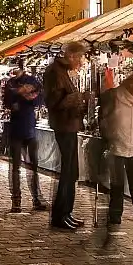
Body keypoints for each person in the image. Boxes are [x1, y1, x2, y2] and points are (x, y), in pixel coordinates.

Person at [42, 41, 88, 231]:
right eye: (79, 57)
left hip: (69, 124)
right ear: (71, 56)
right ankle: (61, 215)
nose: (81, 61)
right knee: (68, 171)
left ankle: (66, 212)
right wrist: (78, 97)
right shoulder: (55, 72)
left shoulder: (61, 72)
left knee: (72, 171)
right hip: (64, 125)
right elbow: (54, 102)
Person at [101, 71, 133, 229]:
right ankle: (115, 214)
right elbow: (104, 120)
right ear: (131, 83)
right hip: (117, 146)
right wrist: (108, 138)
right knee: (117, 183)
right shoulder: (114, 97)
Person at [0, 62, 45, 213]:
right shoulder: (10, 83)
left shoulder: (32, 80)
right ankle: (16, 201)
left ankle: (36, 198)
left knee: (33, 166)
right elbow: (7, 102)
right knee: (15, 167)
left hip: (29, 128)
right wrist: (22, 93)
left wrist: (23, 95)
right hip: (16, 128)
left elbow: (39, 99)